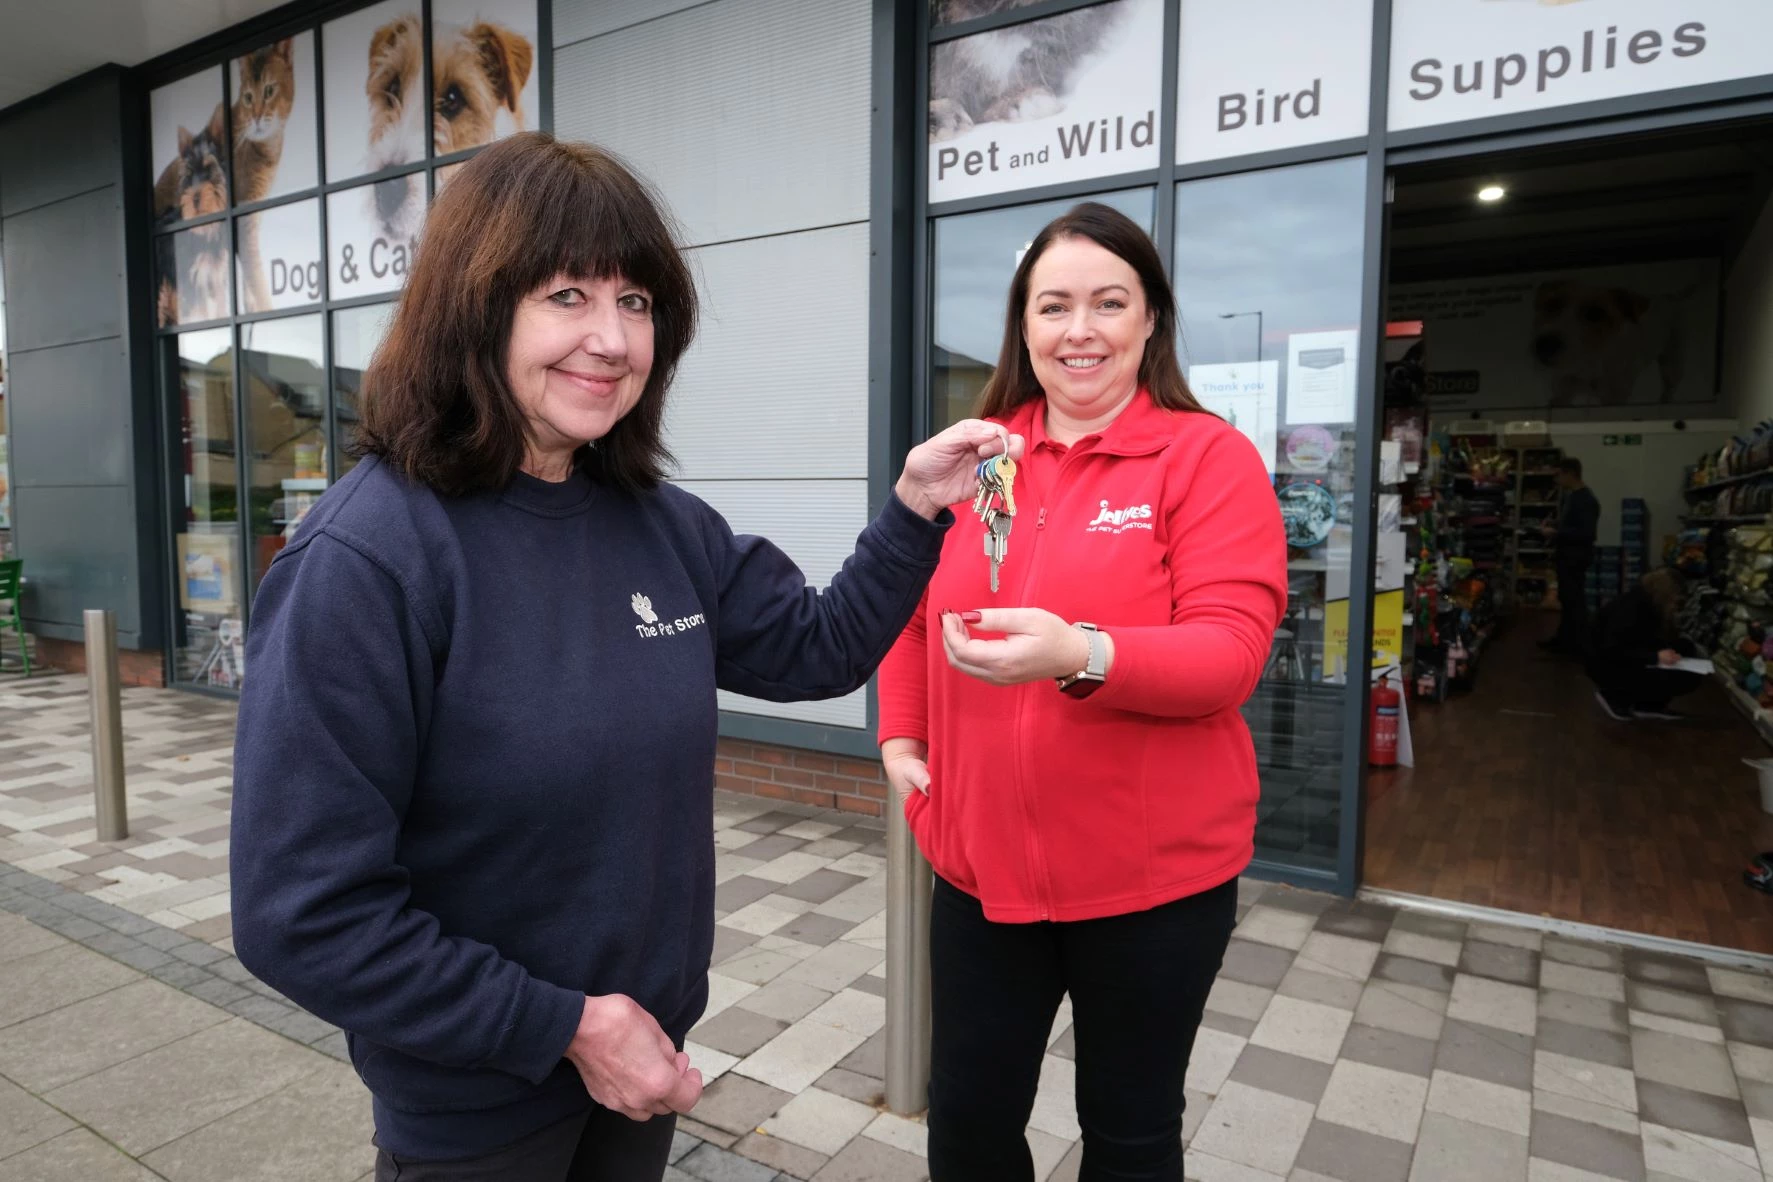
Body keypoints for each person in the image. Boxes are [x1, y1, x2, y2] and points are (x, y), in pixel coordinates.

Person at [227, 133, 1022, 1182]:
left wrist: (917, 510)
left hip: (641, 1068)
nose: (611, 338)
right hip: (479, 1103)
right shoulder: (369, 558)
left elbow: (816, 647)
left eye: (636, 302)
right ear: (475, 306)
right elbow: (299, 911)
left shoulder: (656, 523)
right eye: (566, 295)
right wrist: (562, 1025)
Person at [877, 202, 1288, 1182]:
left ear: (1151, 321)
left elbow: (1228, 654)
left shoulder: (1204, 460)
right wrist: (901, 736)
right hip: (982, 873)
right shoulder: (976, 461)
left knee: (1131, 1132)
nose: (1081, 330)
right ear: (1023, 324)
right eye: (1054, 305)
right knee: (968, 1127)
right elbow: (907, 612)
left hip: (1150, 889)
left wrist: (1081, 654)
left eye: (1110, 302)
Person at [1588, 567, 1706, 721]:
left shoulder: (1643, 604)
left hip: (1622, 656)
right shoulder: (1630, 610)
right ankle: (1616, 696)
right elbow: (1612, 650)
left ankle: (1647, 703)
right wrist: (1655, 657)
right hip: (1608, 665)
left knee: (1686, 650)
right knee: (1685, 673)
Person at [1541, 456, 1600, 654]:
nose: (1556, 480)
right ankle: (1564, 640)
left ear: (1570, 473)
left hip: (1576, 557)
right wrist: (1556, 525)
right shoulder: (1572, 496)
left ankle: (1581, 647)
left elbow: (1587, 533)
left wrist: (1557, 533)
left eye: (1559, 475)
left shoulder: (1586, 500)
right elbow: (1572, 524)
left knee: (1575, 601)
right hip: (1567, 555)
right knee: (1567, 599)